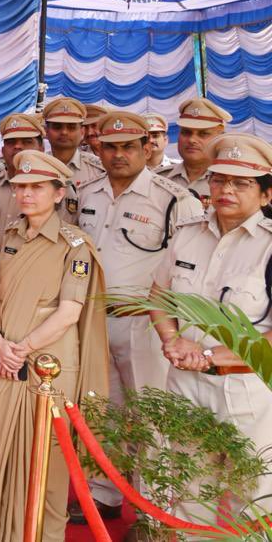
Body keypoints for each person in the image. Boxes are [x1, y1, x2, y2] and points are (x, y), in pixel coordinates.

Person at [0, 150, 109, 542]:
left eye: (36, 187)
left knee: (48, 458)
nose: (26, 194)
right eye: (20, 186)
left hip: (49, 363)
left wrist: (21, 347)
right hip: (9, 358)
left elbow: (69, 312)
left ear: (57, 191)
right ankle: (4, 529)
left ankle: (45, 534)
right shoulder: (13, 234)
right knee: (7, 445)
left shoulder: (75, 244)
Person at [75, 111, 203, 521]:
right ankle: (105, 492)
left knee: (150, 417)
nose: (117, 155)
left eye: (128, 146)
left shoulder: (173, 199)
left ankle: (154, 511)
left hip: (145, 324)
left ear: (146, 147)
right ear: (98, 148)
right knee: (104, 411)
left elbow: (188, 266)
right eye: (109, 146)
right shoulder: (88, 192)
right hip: (94, 319)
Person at [150, 133, 272, 528]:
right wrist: (171, 340)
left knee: (253, 502)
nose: (226, 190)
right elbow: (158, 295)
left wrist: (209, 357)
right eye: (219, 180)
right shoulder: (188, 233)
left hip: (248, 393)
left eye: (241, 183)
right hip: (187, 386)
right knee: (189, 493)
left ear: (266, 195)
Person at [0, 113, 48, 446]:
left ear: (40, 146)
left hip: (38, 298)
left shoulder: (60, 188)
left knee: (28, 362)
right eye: (11, 143)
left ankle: (30, 432)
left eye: (26, 142)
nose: (17, 149)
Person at [157, 98, 232, 208]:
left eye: (203, 134)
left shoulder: (233, 183)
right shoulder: (158, 178)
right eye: (186, 132)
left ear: (220, 139)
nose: (192, 140)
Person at [42, 98, 105, 222]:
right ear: (46, 131)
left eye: (71, 127)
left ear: (82, 132)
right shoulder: (38, 167)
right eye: (57, 127)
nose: (64, 132)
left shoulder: (100, 169)